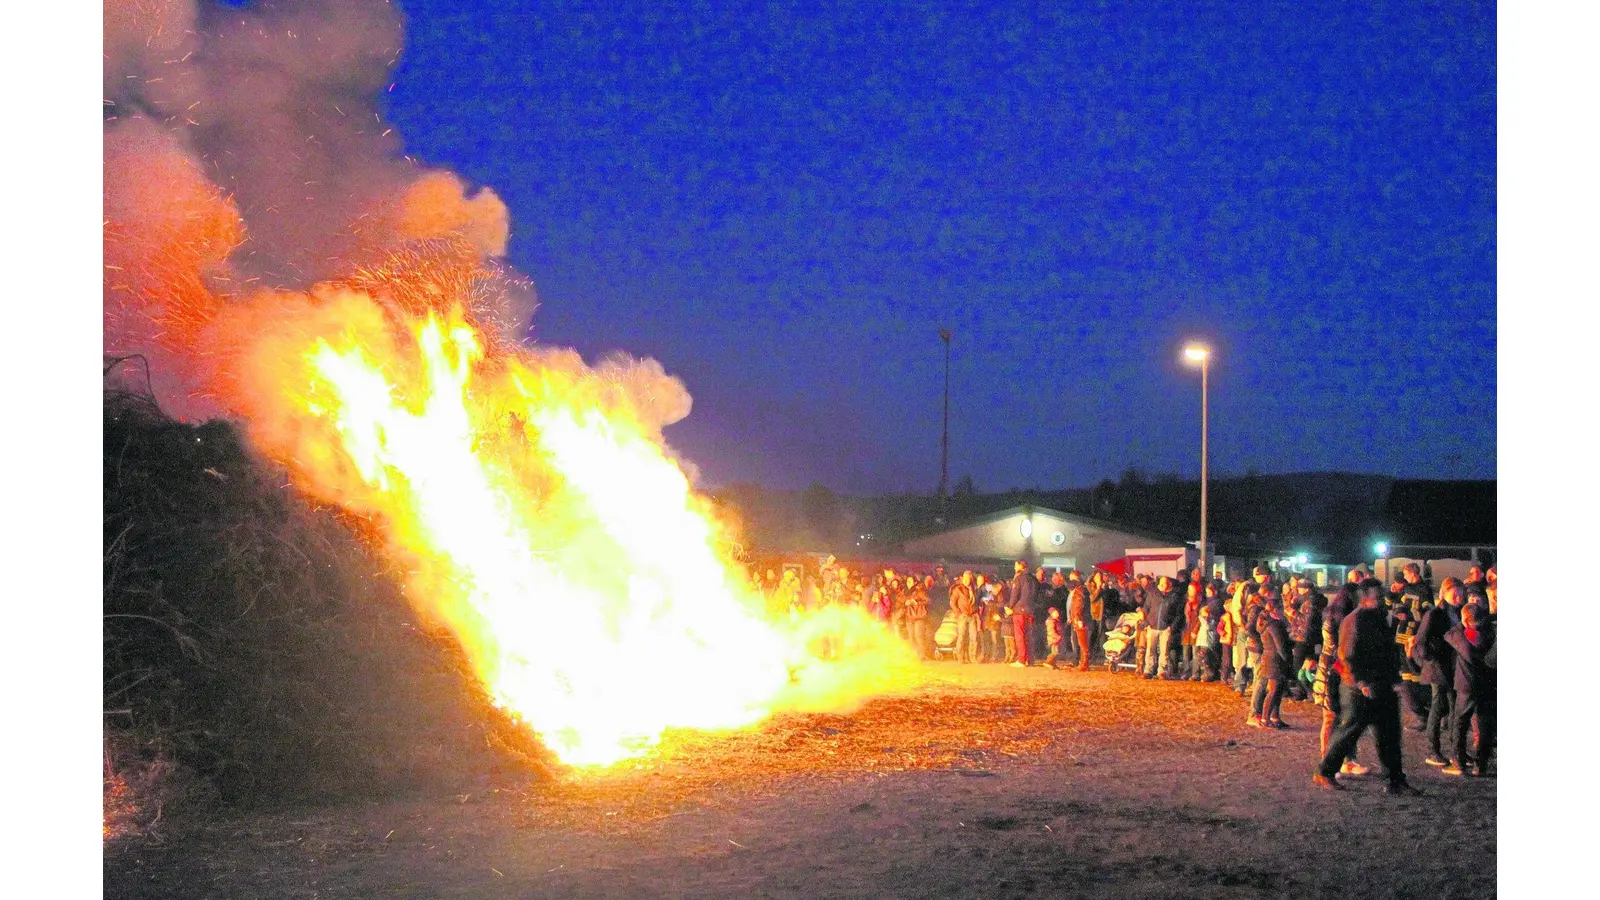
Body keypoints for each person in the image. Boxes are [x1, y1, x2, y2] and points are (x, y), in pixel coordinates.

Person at [1313, 579, 1423, 795]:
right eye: (1378, 595)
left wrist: (1395, 679)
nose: (1382, 598)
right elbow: (1347, 655)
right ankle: (1325, 771)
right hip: (1359, 689)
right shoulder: (1355, 621)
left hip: (1382, 684)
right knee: (1349, 731)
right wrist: (1361, 682)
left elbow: (1388, 651)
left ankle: (1394, 780)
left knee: (1390, 734)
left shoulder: (1380, 618)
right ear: (1365, 598)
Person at [1413, 577, 1465, 766]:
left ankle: (1455, 751)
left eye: (1461, 593)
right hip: (1438, 668)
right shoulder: (1435, 614)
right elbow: (1421, 641)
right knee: (1439, 706)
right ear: (1445, 592)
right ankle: (1433, 749)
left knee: (1453, 708)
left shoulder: (1457, 613)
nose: (1459, 597)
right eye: (1455, 593)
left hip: (1453, 667)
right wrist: (1429, 659)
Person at [1443, 603, 1495, 776]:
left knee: (1460, 722)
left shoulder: (1461, 636)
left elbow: (1448, 635)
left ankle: (1458, 762)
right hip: (1487, 683)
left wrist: (1461, 625)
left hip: (1466, 684)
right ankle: (1481, 764)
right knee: (1485, 724)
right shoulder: (1490, 633)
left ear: (1466, 619)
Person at [1251, 597, 1292, 728]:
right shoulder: (1274, 625)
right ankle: (1265, 718)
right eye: (1281, 609)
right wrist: (1288, 657)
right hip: (1275, 660)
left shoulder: (1267, 624)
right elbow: (1280, 646)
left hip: (1270, 658)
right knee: (1274, 690)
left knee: (1278, 689)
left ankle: (1274, 717)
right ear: (1275, 610)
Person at [1008, 560, 1040, 667]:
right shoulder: (1034, 579)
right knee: (1029, 635)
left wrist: (1010, 607)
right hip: (1030, 610)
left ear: (1020, 566)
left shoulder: (1019, 578)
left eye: (1015, 566)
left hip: (1019, 611)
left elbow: (1015, 595)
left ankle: (1021, 659)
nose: (1014, 568)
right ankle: (1030, 660)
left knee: (1020, 635)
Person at [950, 570, 980, 664]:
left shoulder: (974, 589)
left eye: (968, 578)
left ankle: (972, 657)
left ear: (971, 579)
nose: (966, 580)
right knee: (961, 637)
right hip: (963, 615)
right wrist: (958, 613)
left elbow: (977, 601)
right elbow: (952, 603)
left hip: (972, 615)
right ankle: (960, 657)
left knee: (974, 638)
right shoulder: (958, 589)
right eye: (965, 578)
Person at [1067, 579, 1092, 671]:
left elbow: (1077, 607)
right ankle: (1084, 663)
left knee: (1082, 643)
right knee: (1083, 643)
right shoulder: (1083, 592)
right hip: (1084, 620)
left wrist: (1077, 619)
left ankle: (1084, 664)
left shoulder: (1078, 594)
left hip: (1080, 621)